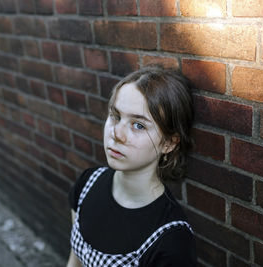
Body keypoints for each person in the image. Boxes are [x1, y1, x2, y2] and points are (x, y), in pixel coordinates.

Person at [67, 66, 197, 266]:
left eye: (138, 125)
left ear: (169, 143)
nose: (116, 133)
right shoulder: (87, 183)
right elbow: (75, 261)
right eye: (116, 116)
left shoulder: (171, 239)